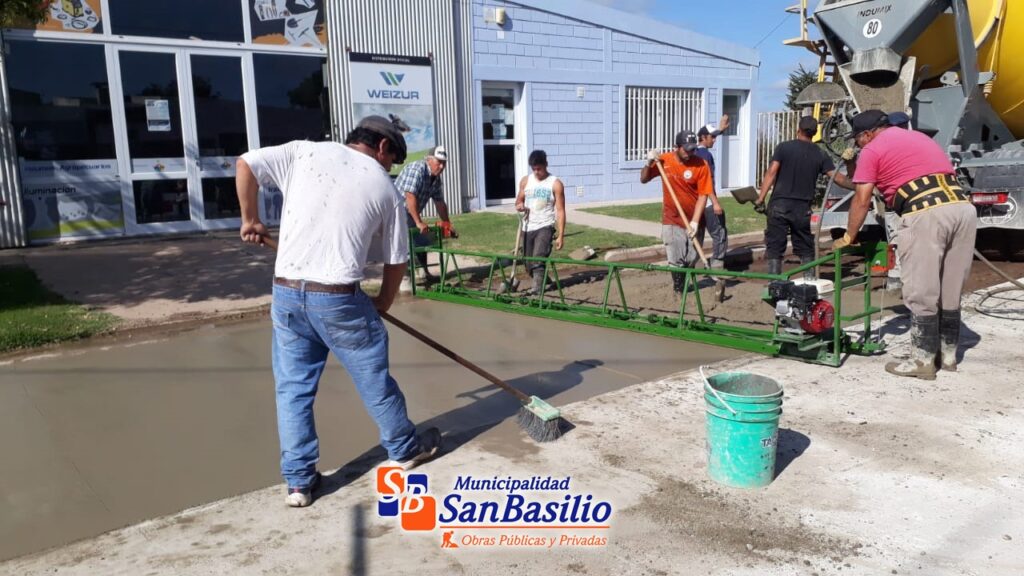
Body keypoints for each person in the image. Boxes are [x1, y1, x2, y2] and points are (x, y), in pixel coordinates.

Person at [235, 115, 441, 508]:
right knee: (373, 379)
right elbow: (397, 259)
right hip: (339, 298)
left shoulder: (303, 152)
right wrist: (382, 302)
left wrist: (250, 219)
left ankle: (299, 483)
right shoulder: (385, 187)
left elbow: (244, 163)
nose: (390, 167)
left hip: (287, 292)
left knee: (293, 389)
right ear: (382, 146)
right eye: (392, 159)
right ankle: (404, 448)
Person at [834, 109, 976, 380]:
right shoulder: (918, 138)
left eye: (858, 139)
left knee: (922, 288)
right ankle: (948, 357)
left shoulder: (872, 150)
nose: (858, 145)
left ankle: (922, 361)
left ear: (868, 134)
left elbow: (862, 198)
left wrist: (849, 236)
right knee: (950, 287)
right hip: (962, 209)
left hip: (926, 212)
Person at [754, 115, 854, 277]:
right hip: (802, 208)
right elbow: (838, 178)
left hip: (779, 205)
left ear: (798, 130)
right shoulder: (820, 154)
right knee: (805, 246)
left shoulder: (784, 148)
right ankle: (809, 279)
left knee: (775, 246)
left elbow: (771, 172)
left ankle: (774, 283)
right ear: (815, 133)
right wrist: (859, 187)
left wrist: (760, 199)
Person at [640, 130, 712, 295]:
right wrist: (648, 162)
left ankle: (685, 281)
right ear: (676, 147)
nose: (690, 153)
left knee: (691, 258)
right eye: (686, 150)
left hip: (695, 219)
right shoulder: (664, 161)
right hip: (672, 218)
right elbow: (643, 179)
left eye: (693, 149)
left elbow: (703, 195)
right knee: (675, 256)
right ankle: (678, 290)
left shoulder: (701, 165)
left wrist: (695, 221)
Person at [395, 145, 456, 284]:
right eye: (439, 162)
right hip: (397, 210)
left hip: (409, 211)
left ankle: (424, 273)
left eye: (444, 163)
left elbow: (440, 202)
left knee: (422, 240)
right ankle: (405, 279)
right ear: (429, 160)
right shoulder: (417, 169)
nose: (442, 166)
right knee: (407, 244)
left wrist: (447, 225)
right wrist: (418, 222)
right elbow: (410, 196)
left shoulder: (435, 179)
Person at [514, 150, 566, 295]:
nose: (536, 172)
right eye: (534, 169)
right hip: (527, 226)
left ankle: (537, 290)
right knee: (528, 263)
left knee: (538, 258)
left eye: (539, 169)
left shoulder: (555, 184)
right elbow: (519, 201)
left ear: (546, 164)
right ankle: (543, 279)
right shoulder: (526, 181)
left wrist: (561, 235)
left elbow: (561, 211)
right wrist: (519, 205)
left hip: (545, 225)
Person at [695, 115, 731, 301]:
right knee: (720, 235)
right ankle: (717, 272)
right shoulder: (705, 155)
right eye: (712, 137)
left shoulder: (693, 151)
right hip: (708, 203)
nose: (714, 140)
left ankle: (689, 272)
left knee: (697, 237)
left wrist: (720, 130)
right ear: (703, 138)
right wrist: (715, 202)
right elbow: (707, 180)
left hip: (695, 205)